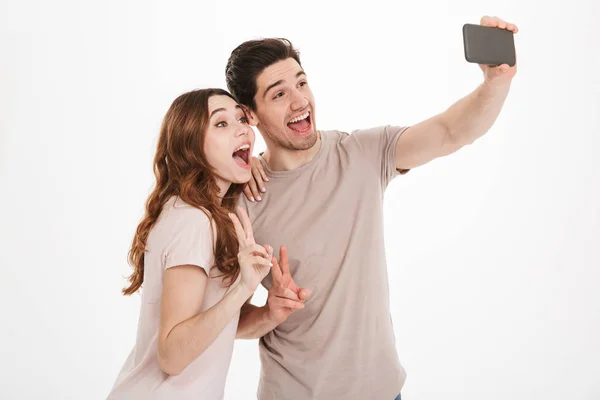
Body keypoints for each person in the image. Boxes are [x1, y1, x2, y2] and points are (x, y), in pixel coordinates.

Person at [227, 15, 518, 400]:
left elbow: (452, 132)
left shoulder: (362, 153)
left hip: (380, 391)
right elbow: (229, 321)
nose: (300, 101)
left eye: (301, 83)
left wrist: (494, 84)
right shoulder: (240, 201)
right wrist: (269, 313)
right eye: (279, 94)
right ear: (249, 115)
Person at [107, 88, 299, 400]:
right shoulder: (194, 220)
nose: (241, 128)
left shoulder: (203, 213)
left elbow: (213, 326)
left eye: (240, 117)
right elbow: (172, 355)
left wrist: (269, 313)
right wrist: (241, 289)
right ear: (192, 146)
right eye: (221, 124)